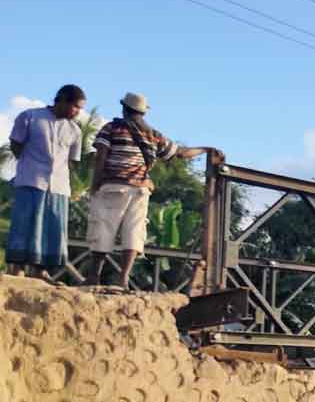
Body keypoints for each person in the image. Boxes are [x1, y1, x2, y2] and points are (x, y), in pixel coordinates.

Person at [87, 92, 220, 288]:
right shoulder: (153, 135)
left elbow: (101, 157)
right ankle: (123, 278)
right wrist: (206, 149)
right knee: (134, 231)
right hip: (140, 189)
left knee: (104, 228)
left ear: (124, 108)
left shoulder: (111, 128)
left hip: (114, 186)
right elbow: (181, 153)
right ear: (143, 113)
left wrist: (95, 183)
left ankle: (93, 276)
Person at [4, 85, 86, 279]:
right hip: (31, 180)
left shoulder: (74, 130)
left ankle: (41, 270)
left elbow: (73, 160)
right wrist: (29, 164)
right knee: (25, 224)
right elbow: (16, 145)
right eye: (75, 106)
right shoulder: (30, 117)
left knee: (51, 228)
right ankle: (18, 269)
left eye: (80, 108)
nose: (77, 112)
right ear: (63, 100)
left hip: (58, 186)